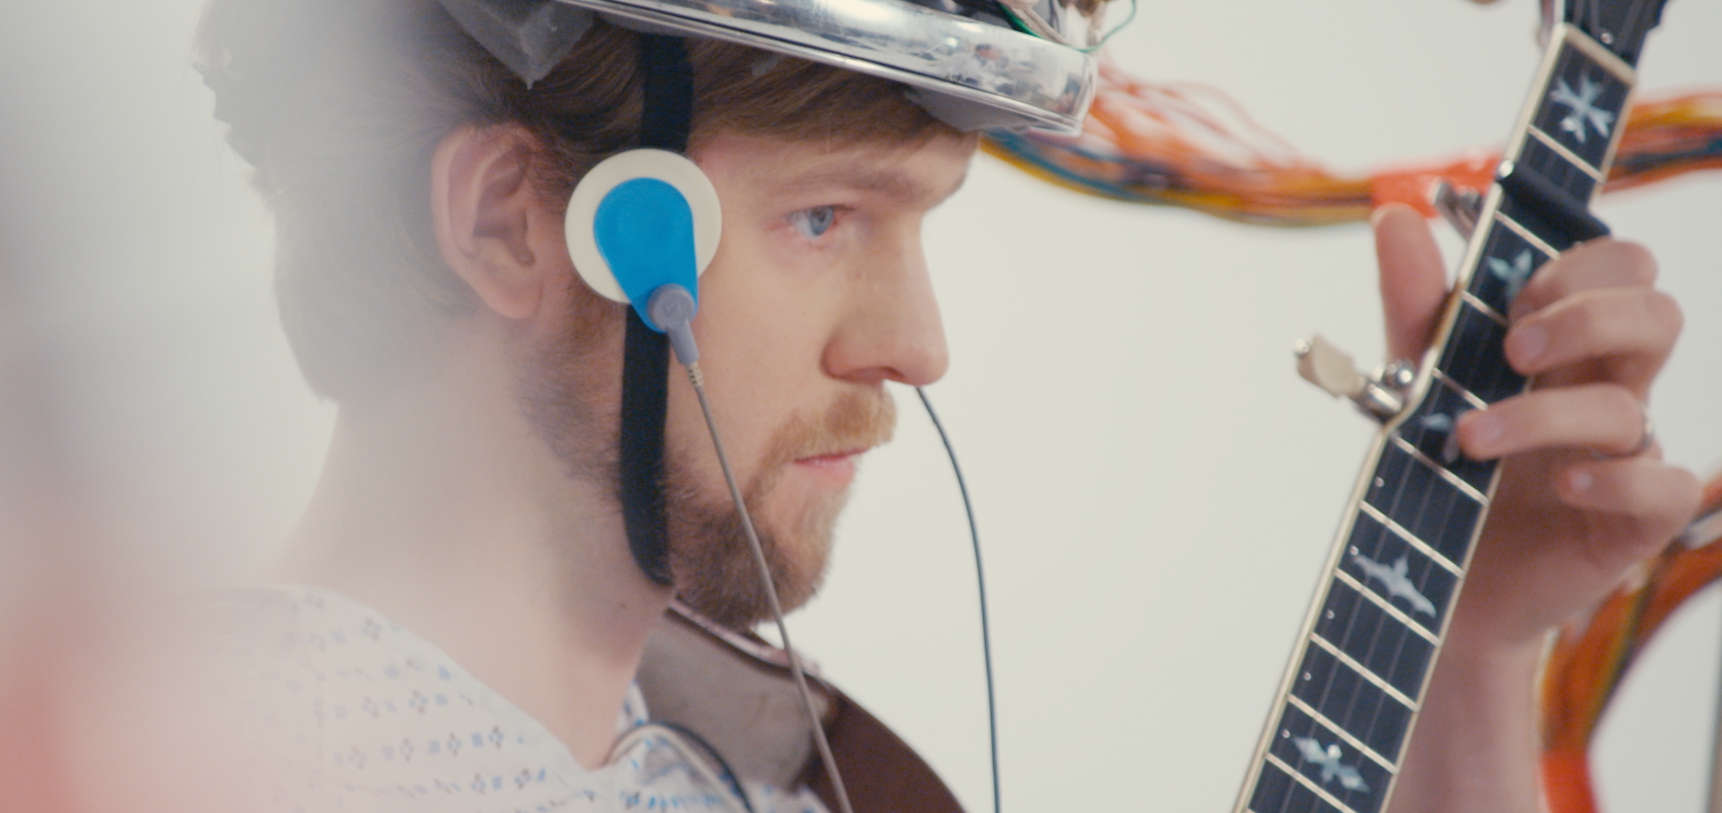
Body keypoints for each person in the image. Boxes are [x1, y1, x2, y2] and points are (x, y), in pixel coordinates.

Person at [104, 0, 1700, 810]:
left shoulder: (758, 775)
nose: (919, 347)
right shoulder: (169, 763)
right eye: (824, 219)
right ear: (512, 226)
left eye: (919, 225)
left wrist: (1476, 641)